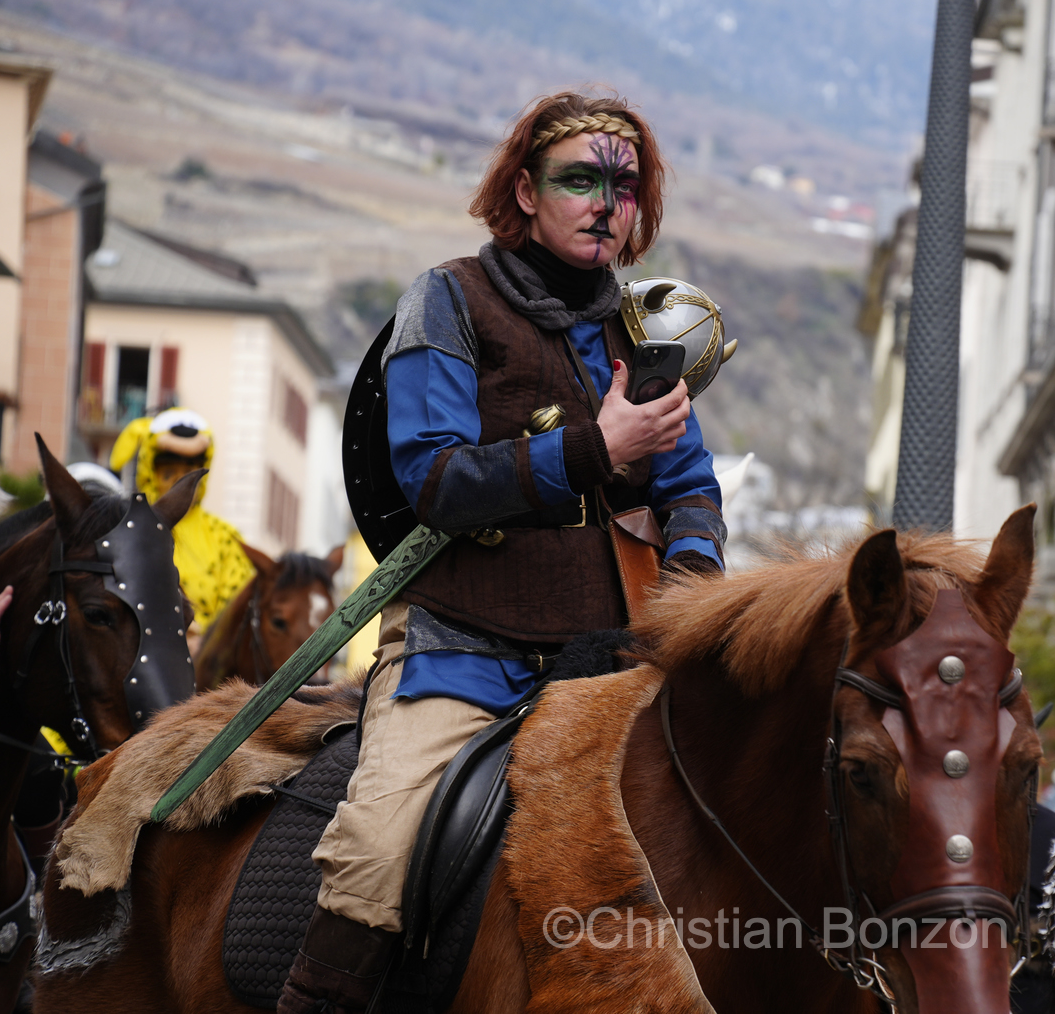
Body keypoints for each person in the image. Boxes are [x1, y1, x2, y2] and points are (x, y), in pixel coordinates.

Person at [279, 92, 726, 1014]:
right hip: (461, 649)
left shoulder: (644, 333)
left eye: (625, 189)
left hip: (612, 664)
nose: (606, 205)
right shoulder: (448, 299)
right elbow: (432, 479)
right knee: (378, 849)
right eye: (581, 181)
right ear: (525, 192)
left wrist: (688, 602)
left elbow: (690, 488)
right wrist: (595, 448)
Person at [110, 408, 255, 648]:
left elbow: (237, 611)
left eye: (189, 474)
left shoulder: (226, 539)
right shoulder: (125, 532)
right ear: (150, 472)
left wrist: (203, 640)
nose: (180, 483)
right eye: (169, 473)